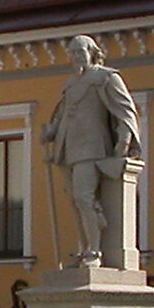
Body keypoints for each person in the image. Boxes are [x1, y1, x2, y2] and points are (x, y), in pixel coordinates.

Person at [40, 33, 144, 265]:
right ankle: (85, 245)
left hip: (93, 147)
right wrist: (50, 132)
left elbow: (125, 110)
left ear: (92, 53)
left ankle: (95, 251)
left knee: (83, 196)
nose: (76, 57)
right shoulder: (70, 84)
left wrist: (124, 141)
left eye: (80, 52)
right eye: (72, 53)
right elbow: (61, 115)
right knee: (75, 201)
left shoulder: (106, 77)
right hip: (68, 148)